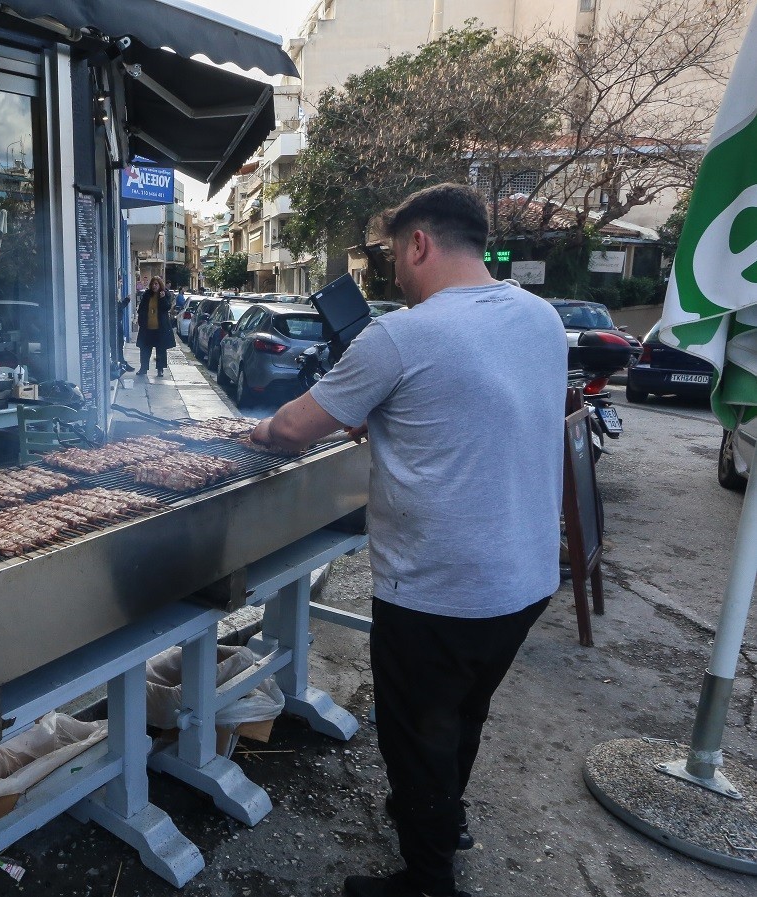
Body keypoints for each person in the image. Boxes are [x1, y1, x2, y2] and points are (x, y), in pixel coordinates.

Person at [250, 184, 566, 897]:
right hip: (525, 580)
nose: (394, 271)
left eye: (395, 253)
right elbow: (478, 408)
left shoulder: (403, 334)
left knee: (417, 737)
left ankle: (427, 881)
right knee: (461, 712)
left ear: (419, 243)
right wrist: (391, 416)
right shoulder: (539, 317)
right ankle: (442, 819)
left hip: (438, 588)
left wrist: (256, 432)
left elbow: (295, 427)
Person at [134, 276, 174, 376]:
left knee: (160, 350)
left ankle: (160, 369)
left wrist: (162, 298)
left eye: (156, 284)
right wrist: (141, 321)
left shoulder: (165, 294)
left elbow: (167, 308)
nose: (154, 286)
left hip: (160, 328)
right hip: (147, 328)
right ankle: (143, 368)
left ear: (160, 285)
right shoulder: (147, 295)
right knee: (145, 349)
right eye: (153, 284)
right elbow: (141, 309)